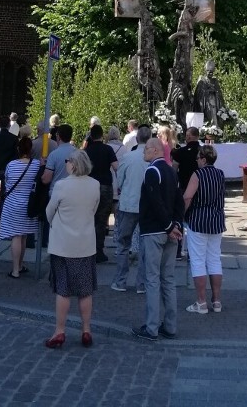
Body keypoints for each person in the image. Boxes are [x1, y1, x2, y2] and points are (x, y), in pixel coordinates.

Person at [43, 148, 100, 348]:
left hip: (63, 244)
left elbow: (49, 211)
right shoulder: (95, 185)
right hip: (85, 244)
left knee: (63, 290)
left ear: (73, 164)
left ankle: (59, 331)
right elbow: (94, 209)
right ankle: (86, 329)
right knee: (85, 290)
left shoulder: (61, 186)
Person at [132, 136, 184, 340]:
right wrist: (177, 225)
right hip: (171, 231)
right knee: (168, 279)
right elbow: (179, 202)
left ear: (154, 151)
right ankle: (170, 326)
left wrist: (169, 225)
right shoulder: (172, 171)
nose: (144, 153)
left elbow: (155, 202)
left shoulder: (152, 171)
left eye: (146, 150)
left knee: (152, 279)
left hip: (155, 230)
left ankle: (151, 327)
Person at [183, 143, 225, 314]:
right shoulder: (220, 174)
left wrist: (181, 215)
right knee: (214, 259)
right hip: (216, 220)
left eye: (198, 157)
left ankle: (201, 302)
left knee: (198, 261)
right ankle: (216, 301)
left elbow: (187, 197)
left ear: (203, 159)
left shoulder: (198, 174)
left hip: (199, 220)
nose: (197, 160)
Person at [112, 124, 150, 294]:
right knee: (144, 245)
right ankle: (141, 283)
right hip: (146, 206)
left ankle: (120, 280)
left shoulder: (127, 158)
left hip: (128, 204)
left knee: (123, 243)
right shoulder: (152, 160)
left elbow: (119, 182)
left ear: (136, 138)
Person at [0, 134, 40, 278]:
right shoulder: (36, 164)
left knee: (16, 236)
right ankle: (20, 265)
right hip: (28, 204)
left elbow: (8, 182)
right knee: (23, 236)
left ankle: (15, 269)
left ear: (18, 149)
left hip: (12, 203)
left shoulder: (12, 165)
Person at [84, 123, 118, 263]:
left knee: (88, 218)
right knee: (102, 219)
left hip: (89, 186)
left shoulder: (87, 151)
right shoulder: (108, 149)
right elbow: (116, 167)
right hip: (105, 186)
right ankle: (99, 250)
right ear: (102, 136)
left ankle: (87, 249)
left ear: (91, 136)